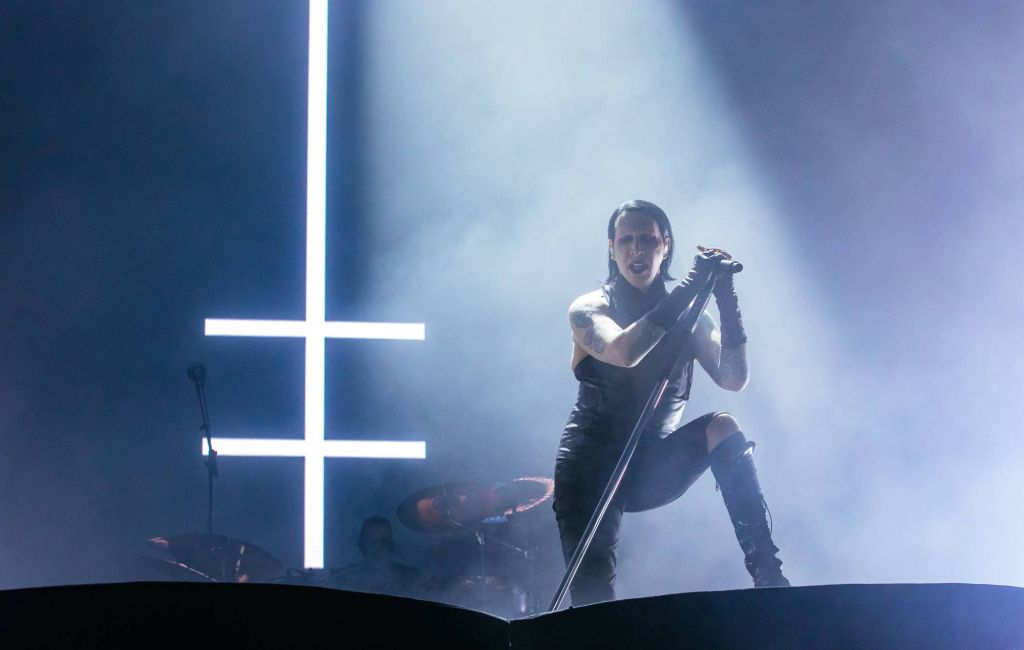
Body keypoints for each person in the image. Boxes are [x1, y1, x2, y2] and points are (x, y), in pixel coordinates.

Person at [553, 199, 789, 606]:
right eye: (625, 240)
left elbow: (733, 378)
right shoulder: (590, 308)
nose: (636, 249)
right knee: (594, 604)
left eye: (647, 239)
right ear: (611, 249)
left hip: (648, 465)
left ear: (666, 245)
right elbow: (625, 352)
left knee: (723, 425)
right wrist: (690, 287)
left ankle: (769, 574)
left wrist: (726, 301)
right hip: (589, 471)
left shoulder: (694, 318)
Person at [330, 516, 425, 597]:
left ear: (391, 543)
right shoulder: (342, 578)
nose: (379, 546)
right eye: (373, 542)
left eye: (384, 542)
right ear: (362, 544)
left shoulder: (411, 577)